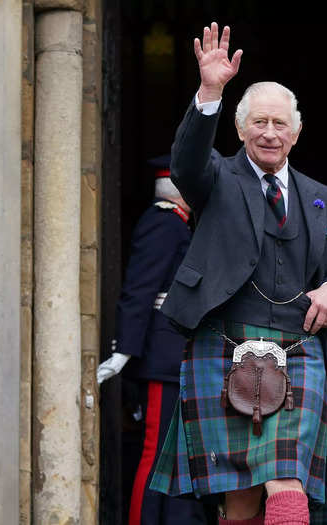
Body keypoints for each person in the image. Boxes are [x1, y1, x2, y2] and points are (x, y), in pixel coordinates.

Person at [148, 23, 327, 525]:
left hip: (297, 348)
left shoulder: (322, 196)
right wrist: (210, 91)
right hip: (224, 340)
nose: (269, 132)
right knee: (239, 499)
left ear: (297, 132)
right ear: (240, 130)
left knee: (287, 480)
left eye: (280, 123)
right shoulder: (215, 178)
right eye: (258, 122)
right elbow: (186, 162)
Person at [97, 159, 208, 525]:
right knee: (155, 453)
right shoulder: (163, 223)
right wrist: (124, 350)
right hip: (163, 356)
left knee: (175, 457)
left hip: (176, 356)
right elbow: (140, 290)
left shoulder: (176, 225)